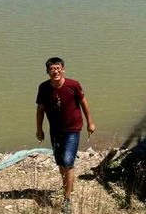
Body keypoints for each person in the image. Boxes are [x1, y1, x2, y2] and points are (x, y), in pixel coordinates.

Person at [36, 57, 96, 214]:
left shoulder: (73, 85)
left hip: (73, 129)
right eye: (52, 69)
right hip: (55, 130)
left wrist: (90, 122)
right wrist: (39, 129)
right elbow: (40, 110)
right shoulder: (43, 88)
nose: (55, 71)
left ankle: (67, 199)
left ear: (63, 69)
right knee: (61, 162)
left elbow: (84, 103)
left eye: (58, 68)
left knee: (68, 161)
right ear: (47, 71)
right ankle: (68, 185)